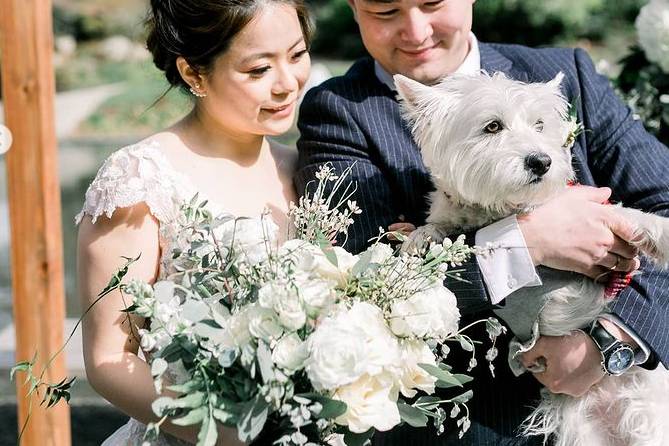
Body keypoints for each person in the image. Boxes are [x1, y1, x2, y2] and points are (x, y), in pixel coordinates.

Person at [295, 0, 669, 444]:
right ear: (355, 7)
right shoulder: (338, 113)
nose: (415, 31)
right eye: (385, 11)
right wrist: (528, 242)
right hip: (482, 428)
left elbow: (662, 204)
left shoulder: (568, 70)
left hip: (638, 399)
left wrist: (611, 342)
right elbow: (364, 292)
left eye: (432, 3)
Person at [76, 0, 313, 444]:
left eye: (297, 55)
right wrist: (228, 433)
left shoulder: (305, 167)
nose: (288, 83)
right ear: (194, 74)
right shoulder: (139, 179)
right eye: (259, 69)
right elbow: (110, 358)